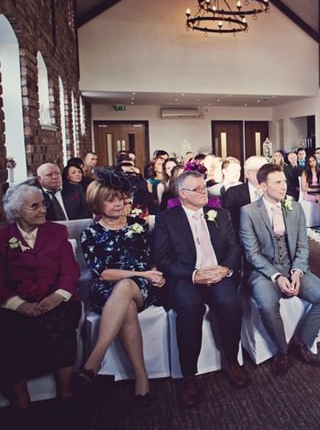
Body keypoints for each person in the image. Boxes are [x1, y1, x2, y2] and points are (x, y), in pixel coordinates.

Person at [152, 171, 246, 408]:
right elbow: (162, 259)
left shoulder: (220, 215)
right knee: (189, 306)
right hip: (186, 277)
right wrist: (193, 274)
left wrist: (225, 269)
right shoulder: (166, 219)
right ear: (183, 194)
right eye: (198, 189)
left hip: (217, 274)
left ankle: (232, 361)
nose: (205, 192)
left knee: (229, 302)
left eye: (204, 187)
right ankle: (189, 375)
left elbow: (235, 249)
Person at [77, 172, 165, 403]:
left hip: (141, 287)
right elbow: (103, 273)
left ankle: (94, 360)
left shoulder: (139, 225)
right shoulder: (90, 233)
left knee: (126, 287)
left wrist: (155, 274)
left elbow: (152, 258)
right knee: (124, 298)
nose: (117, 204)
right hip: (107, 288)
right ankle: (141, 376)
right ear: (97, 203)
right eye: (110, 199)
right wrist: (141, 273)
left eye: (120, 198)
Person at [239, 164, 320, 376]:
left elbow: (302, 246)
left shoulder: (295, 207)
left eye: (284, 181)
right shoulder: (248, 212)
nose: (284, 186)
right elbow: (252, 254)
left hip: (292, 267)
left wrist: (298, 272)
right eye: (277, 182)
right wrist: (276, 276)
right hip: (263, 271)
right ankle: (281, 350)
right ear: (263, 186)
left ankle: (300, 342)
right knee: (266, 304)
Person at [0, 184, 81, 410]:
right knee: (7, 331)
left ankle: (65, 390)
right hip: (16, 303)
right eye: (34, 206)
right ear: (16, 212)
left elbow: (70, 270)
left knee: (63, 322)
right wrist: (20, 305)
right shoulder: (3, 236)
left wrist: (57, 296)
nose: (42, 209)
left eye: (43, 204)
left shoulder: (57, 232)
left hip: (55, 298)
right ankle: (21, 399)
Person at [223, 155, 267, 236]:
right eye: (256, 171)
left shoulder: (272, 190)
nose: (261, 174)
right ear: (247, 174)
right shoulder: (234, 193)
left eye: (264, 171)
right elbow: (229, 223)